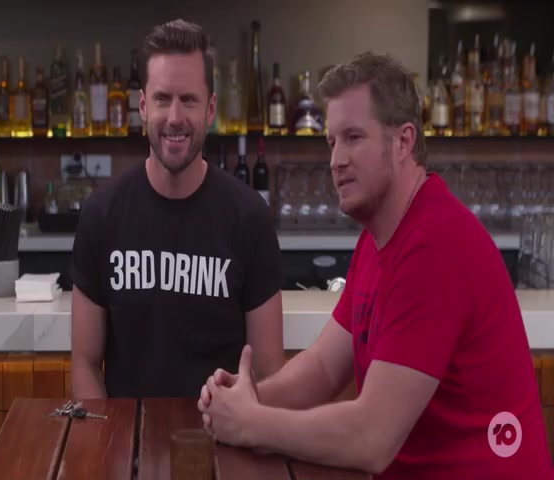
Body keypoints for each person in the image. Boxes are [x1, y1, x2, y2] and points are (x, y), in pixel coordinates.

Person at [198, 51, 554, 479]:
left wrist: (252, 424)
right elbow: (323, 368)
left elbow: (371, 438)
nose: (336, 160)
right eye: (331, 142)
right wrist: (248, 398)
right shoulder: (378, 238)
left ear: (403, 142)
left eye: (353, 138)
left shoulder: (434, 248)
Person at [69, 19, 284, 399]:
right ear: (142, 106)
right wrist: (106, 436)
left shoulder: (249, 217)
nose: (174, 117)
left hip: (222, 432)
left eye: (188, 99)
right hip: (126, 434)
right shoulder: (101, 214)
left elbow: (268, 374)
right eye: (162, 99)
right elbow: (84, 364)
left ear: (210, 109)